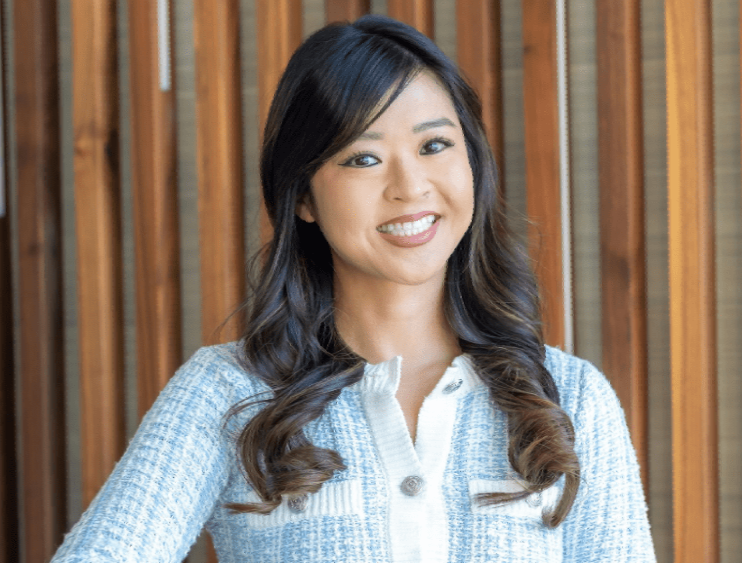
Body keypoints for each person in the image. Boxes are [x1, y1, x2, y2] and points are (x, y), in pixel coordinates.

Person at [51, 15, 656, 563]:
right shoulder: (227, 395)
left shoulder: (570, 399)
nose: (410, 186)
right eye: (363, 159)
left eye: (435, 145)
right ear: (305, 197)